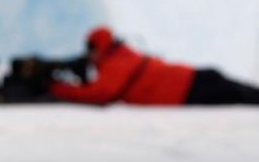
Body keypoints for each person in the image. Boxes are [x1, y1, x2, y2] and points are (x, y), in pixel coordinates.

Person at [51, 26, 259, 106]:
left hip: (187, 89)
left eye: (91, 50)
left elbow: (101, 94)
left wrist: (57, 88)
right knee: (239, 92)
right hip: (191, 80)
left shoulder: (116, 63)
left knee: (240, 95)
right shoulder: (119, 56)